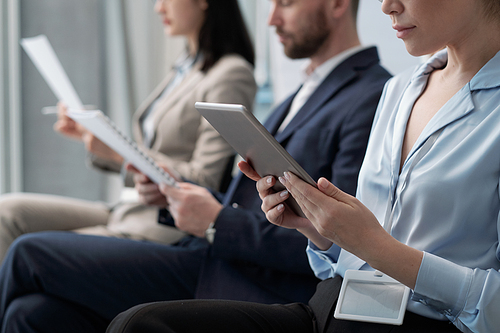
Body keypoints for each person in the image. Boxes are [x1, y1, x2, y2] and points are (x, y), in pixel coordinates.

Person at [107, 0, 500, 332]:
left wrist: (374, 246)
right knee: (139, 323)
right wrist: (318, 229)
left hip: (417, 322)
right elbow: (357, 250)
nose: (386, 6)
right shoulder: (401, 90)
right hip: (331, 307)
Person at [0, 0, 391, 331]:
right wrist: (187, 200)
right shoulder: (300, 94)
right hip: (209, 255)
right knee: (31, 314)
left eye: (285, 2)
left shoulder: (372, 96)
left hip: (247, 277)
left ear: (339, 3)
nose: (271, 19)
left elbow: (342, 237)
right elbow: (247, 198)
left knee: (27, 252)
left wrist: (217, 220)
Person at [0, 0, 256, 261]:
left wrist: (120, 153)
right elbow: (151, 155)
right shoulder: (185, 68)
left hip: (162, 226)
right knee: (7, 213)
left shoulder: (230, 74)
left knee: (30, 251)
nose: (158, 8)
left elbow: (206, 181)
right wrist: (95, 139)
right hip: (130, 208)